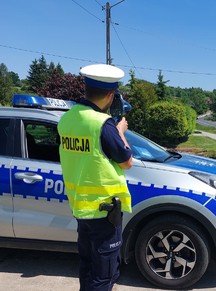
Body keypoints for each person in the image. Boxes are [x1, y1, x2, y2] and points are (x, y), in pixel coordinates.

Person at [58, 64, 132, 291]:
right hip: (104, 214)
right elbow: (126, 161)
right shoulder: (102, 124)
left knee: (88, 269)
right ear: (111, 95)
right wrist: (120, 132)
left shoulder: (67, 119)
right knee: (104, 276)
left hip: (81, 210)